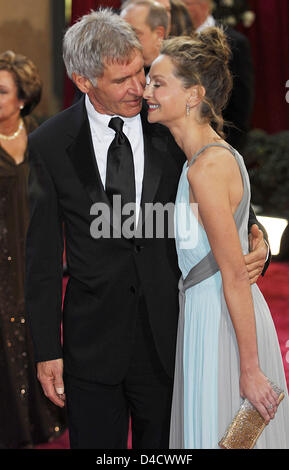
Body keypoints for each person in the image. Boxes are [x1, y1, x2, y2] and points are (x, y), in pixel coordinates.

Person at [25, 9, 270, 450]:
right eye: (122, 81)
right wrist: (46, 350)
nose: (139, 89)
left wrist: (257, 236)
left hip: (172, 342)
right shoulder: (49, 144)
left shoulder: (170, 124)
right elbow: (40, 260)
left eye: (141, 72)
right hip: (92, 345)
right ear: (84, 81)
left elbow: (222, 189)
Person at [143, 28, 289, 449]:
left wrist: (249, 367)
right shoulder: (210, 156)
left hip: (223, 323)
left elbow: (233, 276)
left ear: (193, 95)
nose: (147, 91)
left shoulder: (206, 169)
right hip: (209, 315)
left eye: (158, 82)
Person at [0, 50, 66, 448]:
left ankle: (36, 421)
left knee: (34, 329)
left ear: (23, 97)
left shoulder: (41, 136)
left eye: (2, 90)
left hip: (35, 256)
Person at [182, 0, 254, 152]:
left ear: (205, 4)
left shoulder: (235, 42)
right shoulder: (174, 38)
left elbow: (242, 104)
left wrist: (228, 149)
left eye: (186, 3)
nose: (180, 9)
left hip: (221, 143)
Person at [120, 0, 169, 74]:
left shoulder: (173, 75)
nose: (125, 41)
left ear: (159, 35)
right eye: (122, 34)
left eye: (134, 33)